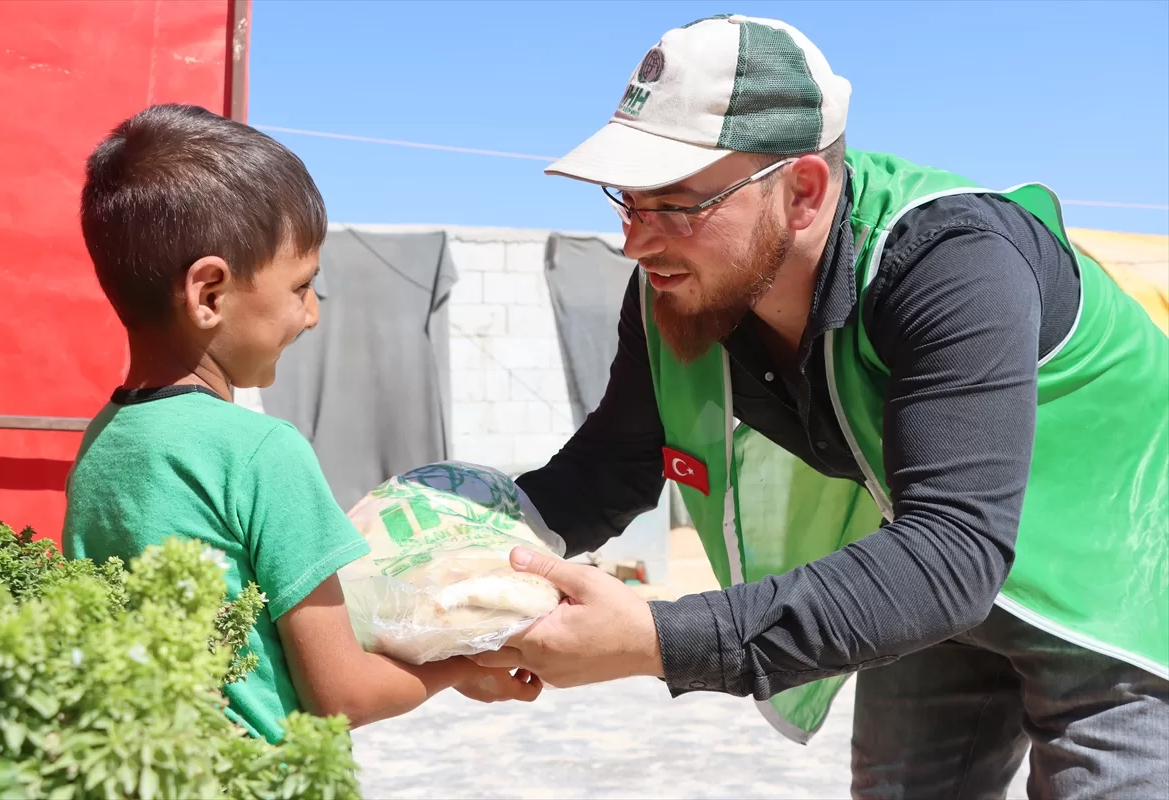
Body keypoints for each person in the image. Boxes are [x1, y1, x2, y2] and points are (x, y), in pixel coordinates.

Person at [473, 15, 1169, 799]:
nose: (637, 242)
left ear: (802, 190)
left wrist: (659, 640)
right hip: (934, 566)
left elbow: (955, 552)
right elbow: (616, 462)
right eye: (626, 202)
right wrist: (454, 544)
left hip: (1122, 571)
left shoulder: (952, 262)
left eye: (674, 204)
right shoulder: (684, 283)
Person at [63, 104, 541, 745]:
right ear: (209, 294)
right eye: (301, 286)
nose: (311, 315)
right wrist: (461, 668)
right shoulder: (262, 453)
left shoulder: (104, 440)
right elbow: (342, 694)